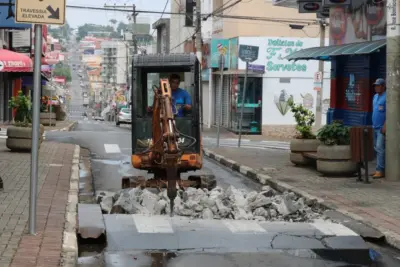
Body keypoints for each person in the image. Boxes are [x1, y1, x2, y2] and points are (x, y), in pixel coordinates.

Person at [371, 78, 386, 179]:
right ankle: (377, 168)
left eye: (378, 85)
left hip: (382, 128)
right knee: (376, 148)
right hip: (374, 126)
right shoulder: (375, 97)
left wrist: (386, 125)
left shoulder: (387, 97)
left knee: (380, 149)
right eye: (375, 86)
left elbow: (390, 113)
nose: (376, 87)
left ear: (383, 86)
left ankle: (380, 170)